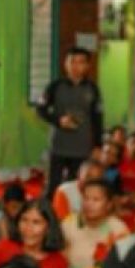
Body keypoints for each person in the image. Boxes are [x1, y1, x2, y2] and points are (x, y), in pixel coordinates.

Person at [36, 47, 104, 195]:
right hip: (58, 145)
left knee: (76, 186)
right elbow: (40, 110)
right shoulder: (55, 86)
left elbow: (97, 118)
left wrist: (98, 145)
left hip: (82, 147)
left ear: (87, 66)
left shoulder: (93, 89)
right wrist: (58, 120)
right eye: (72, 61)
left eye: (80, 62)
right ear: (65, 64)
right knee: (53, 186)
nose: (75, 66)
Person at [61, 178, 129, 268]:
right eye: (86, 198)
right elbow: (60, 259)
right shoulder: (69, 223)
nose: (89, 204)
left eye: (96, 200)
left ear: (109, 204)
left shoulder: (118, 229)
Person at [52, 157, 105, 221]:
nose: (92, 181)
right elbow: (61, 223)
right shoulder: (64, 191)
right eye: (88, 176)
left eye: (97, 178)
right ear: (79, 173)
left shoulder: (103, 195)